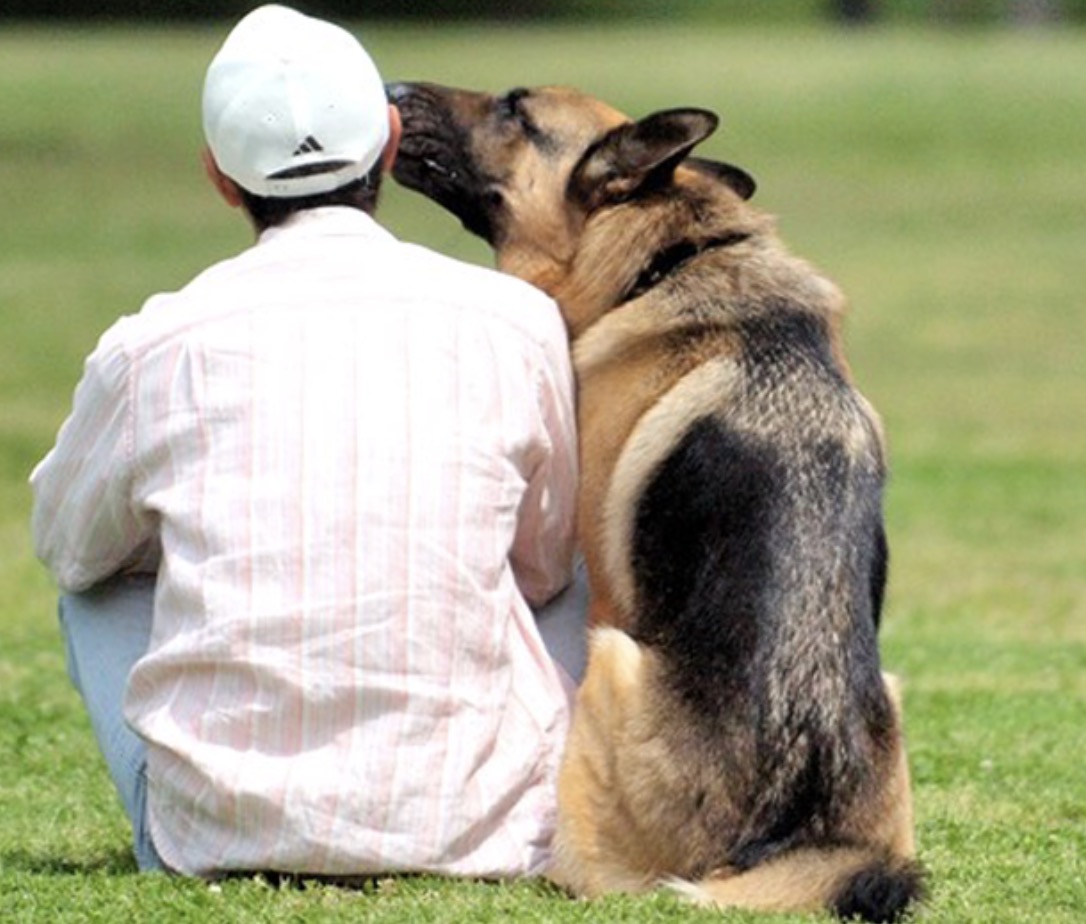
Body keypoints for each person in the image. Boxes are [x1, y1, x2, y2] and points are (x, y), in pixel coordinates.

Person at [30, 4, 585, 880]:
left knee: (93, 589)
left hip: (216, 841)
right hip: (481, 831)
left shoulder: (152, 347)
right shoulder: (517, 320)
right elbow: (545, 569)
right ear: (392, 142)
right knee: (579, 567)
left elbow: (68, 551)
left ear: (219, 175)